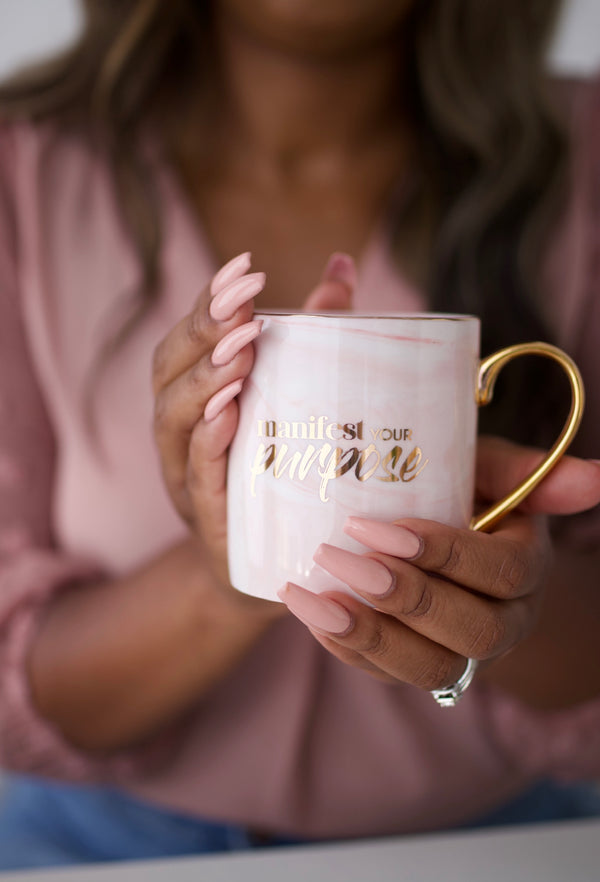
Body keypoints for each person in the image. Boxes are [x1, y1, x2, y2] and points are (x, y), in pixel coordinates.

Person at [0, 0, 599, 869]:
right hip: (98, 847)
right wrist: (228, 578)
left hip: (506, 841)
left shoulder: (579, 155)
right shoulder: (25, 174)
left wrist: (514, 610)